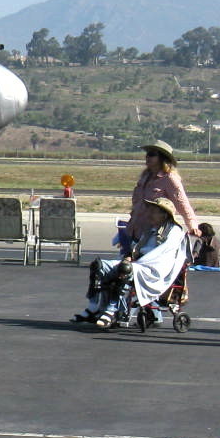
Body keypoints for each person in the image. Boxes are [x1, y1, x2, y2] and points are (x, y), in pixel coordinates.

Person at [79, 197, 187, 328]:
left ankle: (112, 310)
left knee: (125, 269)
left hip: (154, 269)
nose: (150, 213)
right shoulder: (150, 230)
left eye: (154, 211)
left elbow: (161, 255)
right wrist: (130, 256)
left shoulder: (174, 231)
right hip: (139, 264)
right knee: (98, 265)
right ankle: (94, 307)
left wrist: (136, 261)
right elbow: (137, 247)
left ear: (164, 214)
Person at [123, 140, 199, 254]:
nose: (148, 157)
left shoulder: (169, 179)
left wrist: (192, 225)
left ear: (162, 158)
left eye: (152, 154)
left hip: (154, 235)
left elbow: (182, 203)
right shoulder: (145, 177)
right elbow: (137, 205)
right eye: (148, 154)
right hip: (136, 230)